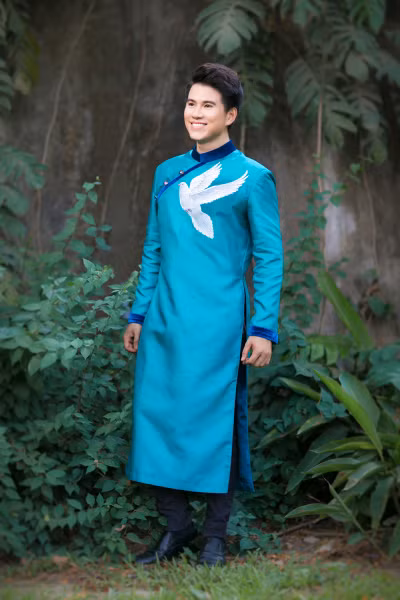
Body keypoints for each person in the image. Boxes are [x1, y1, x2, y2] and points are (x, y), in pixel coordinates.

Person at [123, 63, 284, 566]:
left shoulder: (253, 178)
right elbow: (154, 248)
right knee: (155, 421)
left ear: (230, 115)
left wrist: (263, 327)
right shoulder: (166, 173)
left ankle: (215, 537)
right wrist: (138, 313)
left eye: (208, 105)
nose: (196, 113)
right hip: (164, 320)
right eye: (191, 103)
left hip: (220, 325)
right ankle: (178, 527)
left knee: (216, 427)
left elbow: (270, 256)